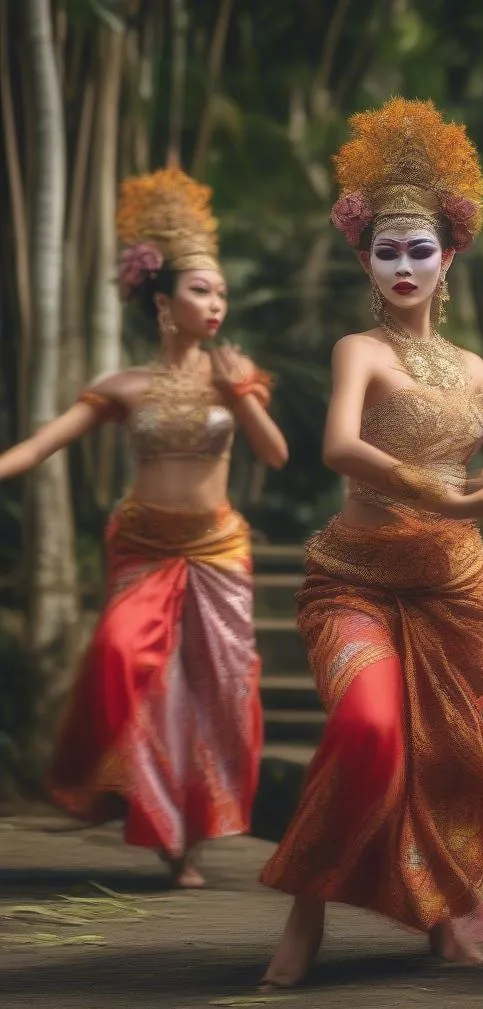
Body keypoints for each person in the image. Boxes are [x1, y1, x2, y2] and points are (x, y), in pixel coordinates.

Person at [257, 98, 483, 988]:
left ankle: (443, 907)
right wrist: (450, 493)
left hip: (450, 587)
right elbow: (338, 447)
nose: (404, 265)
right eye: (387, 250)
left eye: (420, 250)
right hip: (354, 581)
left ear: (448, 259)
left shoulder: (479, 371)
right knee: (368, 728)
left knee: (454, 755)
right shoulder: (359, 351)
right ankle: (307, 910)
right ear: (367, 260)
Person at [0, 166, 288, 887]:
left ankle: (191, 832)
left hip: (219, 549)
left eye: (221, 292)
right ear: (163, 302)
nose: (216, 302)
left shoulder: (237, 377)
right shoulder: (124, 386)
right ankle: (164, 833)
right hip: (144, 548)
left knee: (218, 688)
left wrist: (243, 393)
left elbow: (276, 455)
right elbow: (40, 446)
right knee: (133, 663)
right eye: (201, 290)